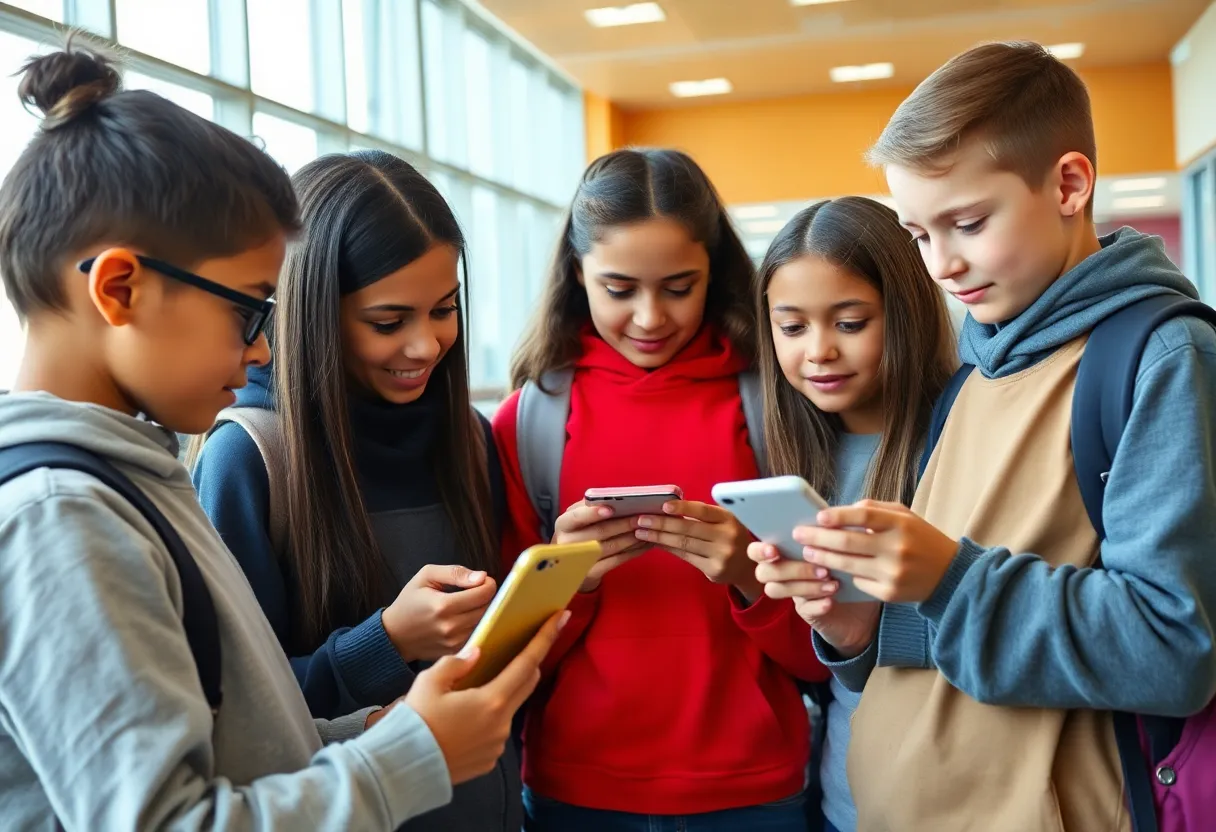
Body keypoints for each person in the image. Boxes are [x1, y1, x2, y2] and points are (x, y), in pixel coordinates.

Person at [0, 36, 559, 830]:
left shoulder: (127, 482)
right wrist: (407, 757)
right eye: (248, 309)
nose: (265, 348)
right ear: (120, 287)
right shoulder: (60, 516)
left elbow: (233, 746)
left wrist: (365, 734)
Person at [791, 41, 1216, 830]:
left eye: (968, 223)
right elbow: (975, 628)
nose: (943, 265)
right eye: (919, 235)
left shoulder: (1158, 357)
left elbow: (1171, 648)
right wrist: (865, 631)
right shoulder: (973, 370)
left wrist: (949, 578)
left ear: (1069, 183)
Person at [493, 148, 827, 831]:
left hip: (751, 791)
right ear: (575, 275)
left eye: (679, 286)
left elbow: (824, 654)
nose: (649, 317)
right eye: (620, 289)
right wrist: (566, 579)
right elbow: (504, 662)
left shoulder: (777, 403)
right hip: (576, 790)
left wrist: (746, 573)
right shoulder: (529, 420)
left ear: (716, 273)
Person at [191, 149, 521, 830]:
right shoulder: (249, 457)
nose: (428, 346)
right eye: (388, 321)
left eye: (444, 310)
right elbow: (230, 715)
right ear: (312, 313)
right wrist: (387, 641)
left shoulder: (470, 436)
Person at [747, 197, 956, 832]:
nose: (819, 352)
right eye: (792, 327)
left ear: (907, 313)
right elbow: (826, 658)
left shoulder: (960, 437)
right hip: (848, 796)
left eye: (849, 322)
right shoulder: (795, 455)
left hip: (957, 797)